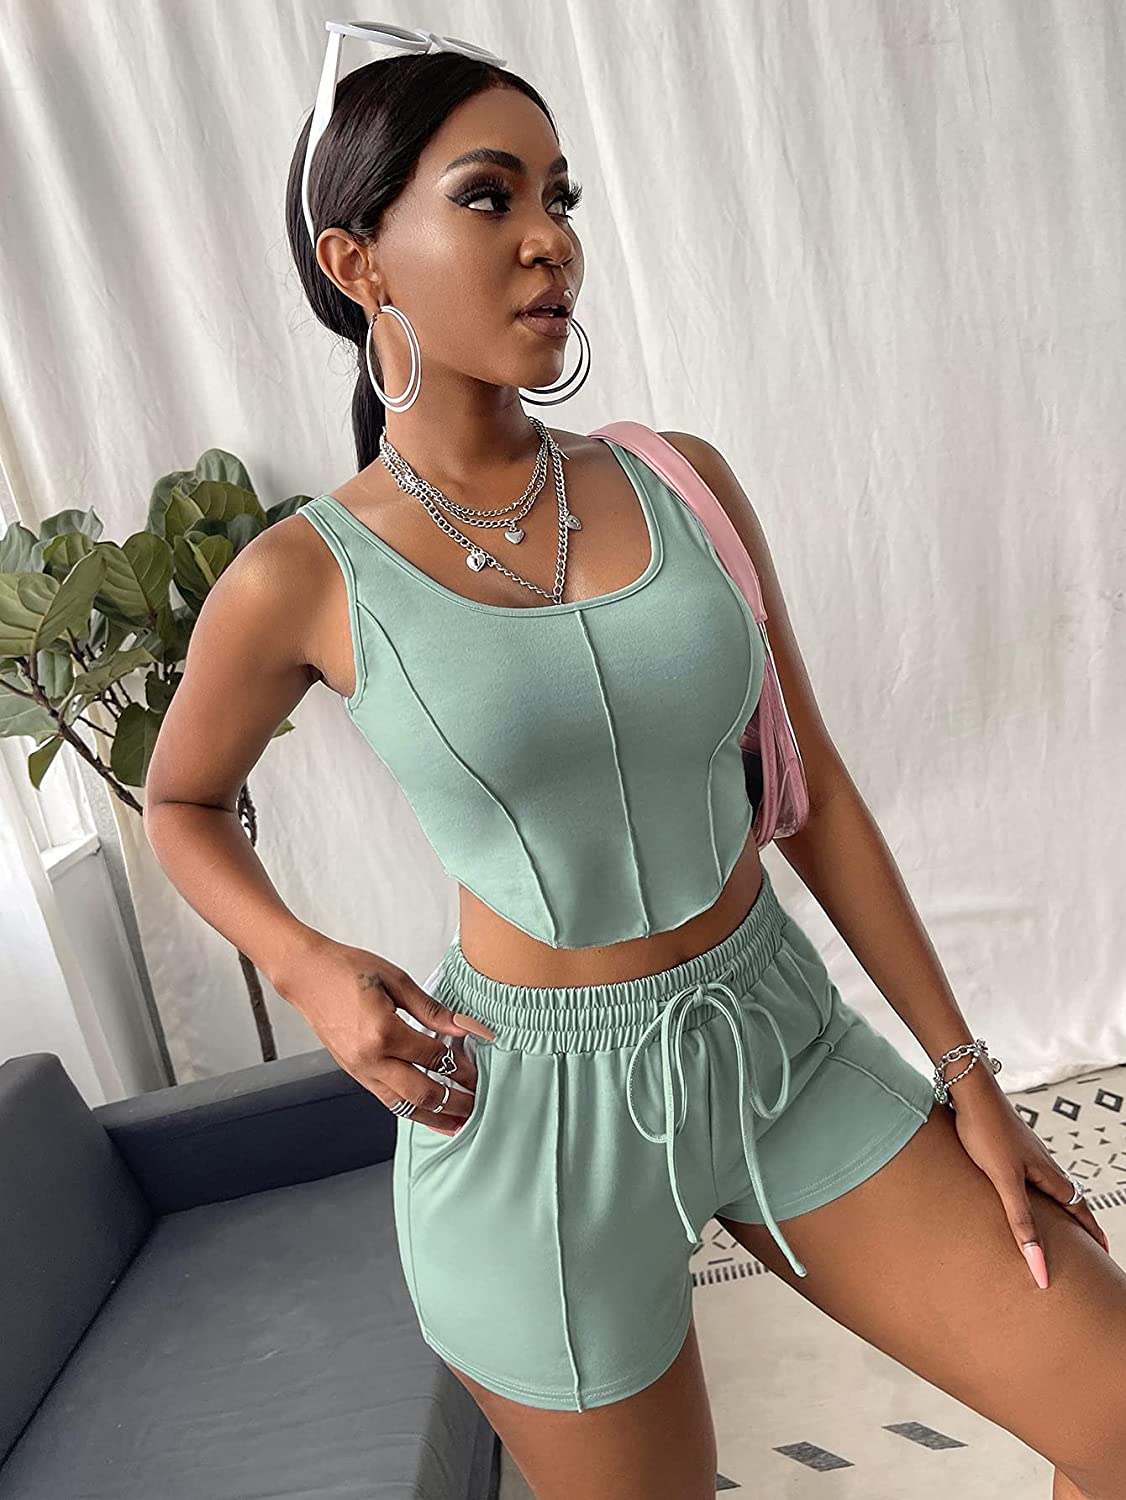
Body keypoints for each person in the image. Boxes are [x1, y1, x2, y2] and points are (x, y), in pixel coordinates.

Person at [144, 26, 1126, 1500]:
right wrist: (307, 966)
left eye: (561, 197)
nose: (549, 239)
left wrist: (965, 1069)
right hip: (531, 1125)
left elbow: (810, 792)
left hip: (781, 1042)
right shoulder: (301, 573)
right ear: (359, 264)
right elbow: (181, 801)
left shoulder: (677, 478)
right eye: (489, 197)